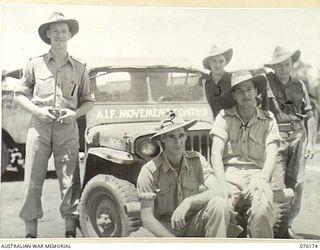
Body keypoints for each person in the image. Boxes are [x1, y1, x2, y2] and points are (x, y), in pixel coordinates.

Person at [15, 12, 95, 238]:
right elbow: (19, 95)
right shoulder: (34, 64)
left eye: (64, 31)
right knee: (32, 179)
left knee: (70, 180)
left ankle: (70, 232)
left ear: (70, 35)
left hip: (67, 127)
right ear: (48, 34)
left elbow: (89, 101)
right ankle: (30, 235)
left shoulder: (80, 67)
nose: (59, 35)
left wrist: (74, 114)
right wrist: (38, 111)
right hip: (39, 127)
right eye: (55, 31)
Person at [210, 70, 282, 238]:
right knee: (218, 204)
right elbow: (215, 154)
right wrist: (221, 183)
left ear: (257, 92)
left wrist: (264, 179)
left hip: (257, 174)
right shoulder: (223, 117)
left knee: (263, 206)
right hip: (229, 174)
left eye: (249, 89)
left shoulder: (269, 119)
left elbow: (272, 154)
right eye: (240, 91)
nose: (245, 94)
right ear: (234, 95)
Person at [137, 110, 230, 237]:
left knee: (219, 204)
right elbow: (147, 219)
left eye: (181, 136)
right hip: (165, 227)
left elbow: (218, 190)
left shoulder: (197, 160)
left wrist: (189, 201)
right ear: (163, 139)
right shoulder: (149, 171)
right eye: (171, 137)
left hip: (193, 222)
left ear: (186, 135)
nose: (178, 141)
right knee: (137, 238)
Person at [264, 46, 316, 238]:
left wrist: (310, 144)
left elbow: (309, 116)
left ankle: (287, 225)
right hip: (276, 138)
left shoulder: (300, 85)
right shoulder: (266, 83)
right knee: (277, 185)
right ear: (273, 67)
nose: (283, 69)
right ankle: (276, 227)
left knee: (297, 184)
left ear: (292, 64)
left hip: (298, 138)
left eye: (287, 64)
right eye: (279, 65)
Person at [202, 45, 235, 118]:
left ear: (225, 62)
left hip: (232, 123)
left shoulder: (233, 79)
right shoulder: (204, 82)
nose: (217, 65)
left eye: (221, 61)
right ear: (209, 63)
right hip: (210, 124)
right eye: (214, 61)